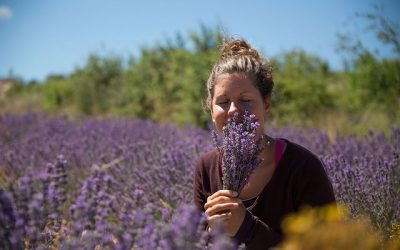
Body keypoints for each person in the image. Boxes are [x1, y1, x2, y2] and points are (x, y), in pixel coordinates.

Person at [193, 38, 335, 249]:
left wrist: (248, 228)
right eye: (223, 101)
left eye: (245, 100)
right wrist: (208, 237)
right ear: (212, 111)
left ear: (266, 103)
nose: (233, 110)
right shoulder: (206, 167)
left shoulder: (302, 168)